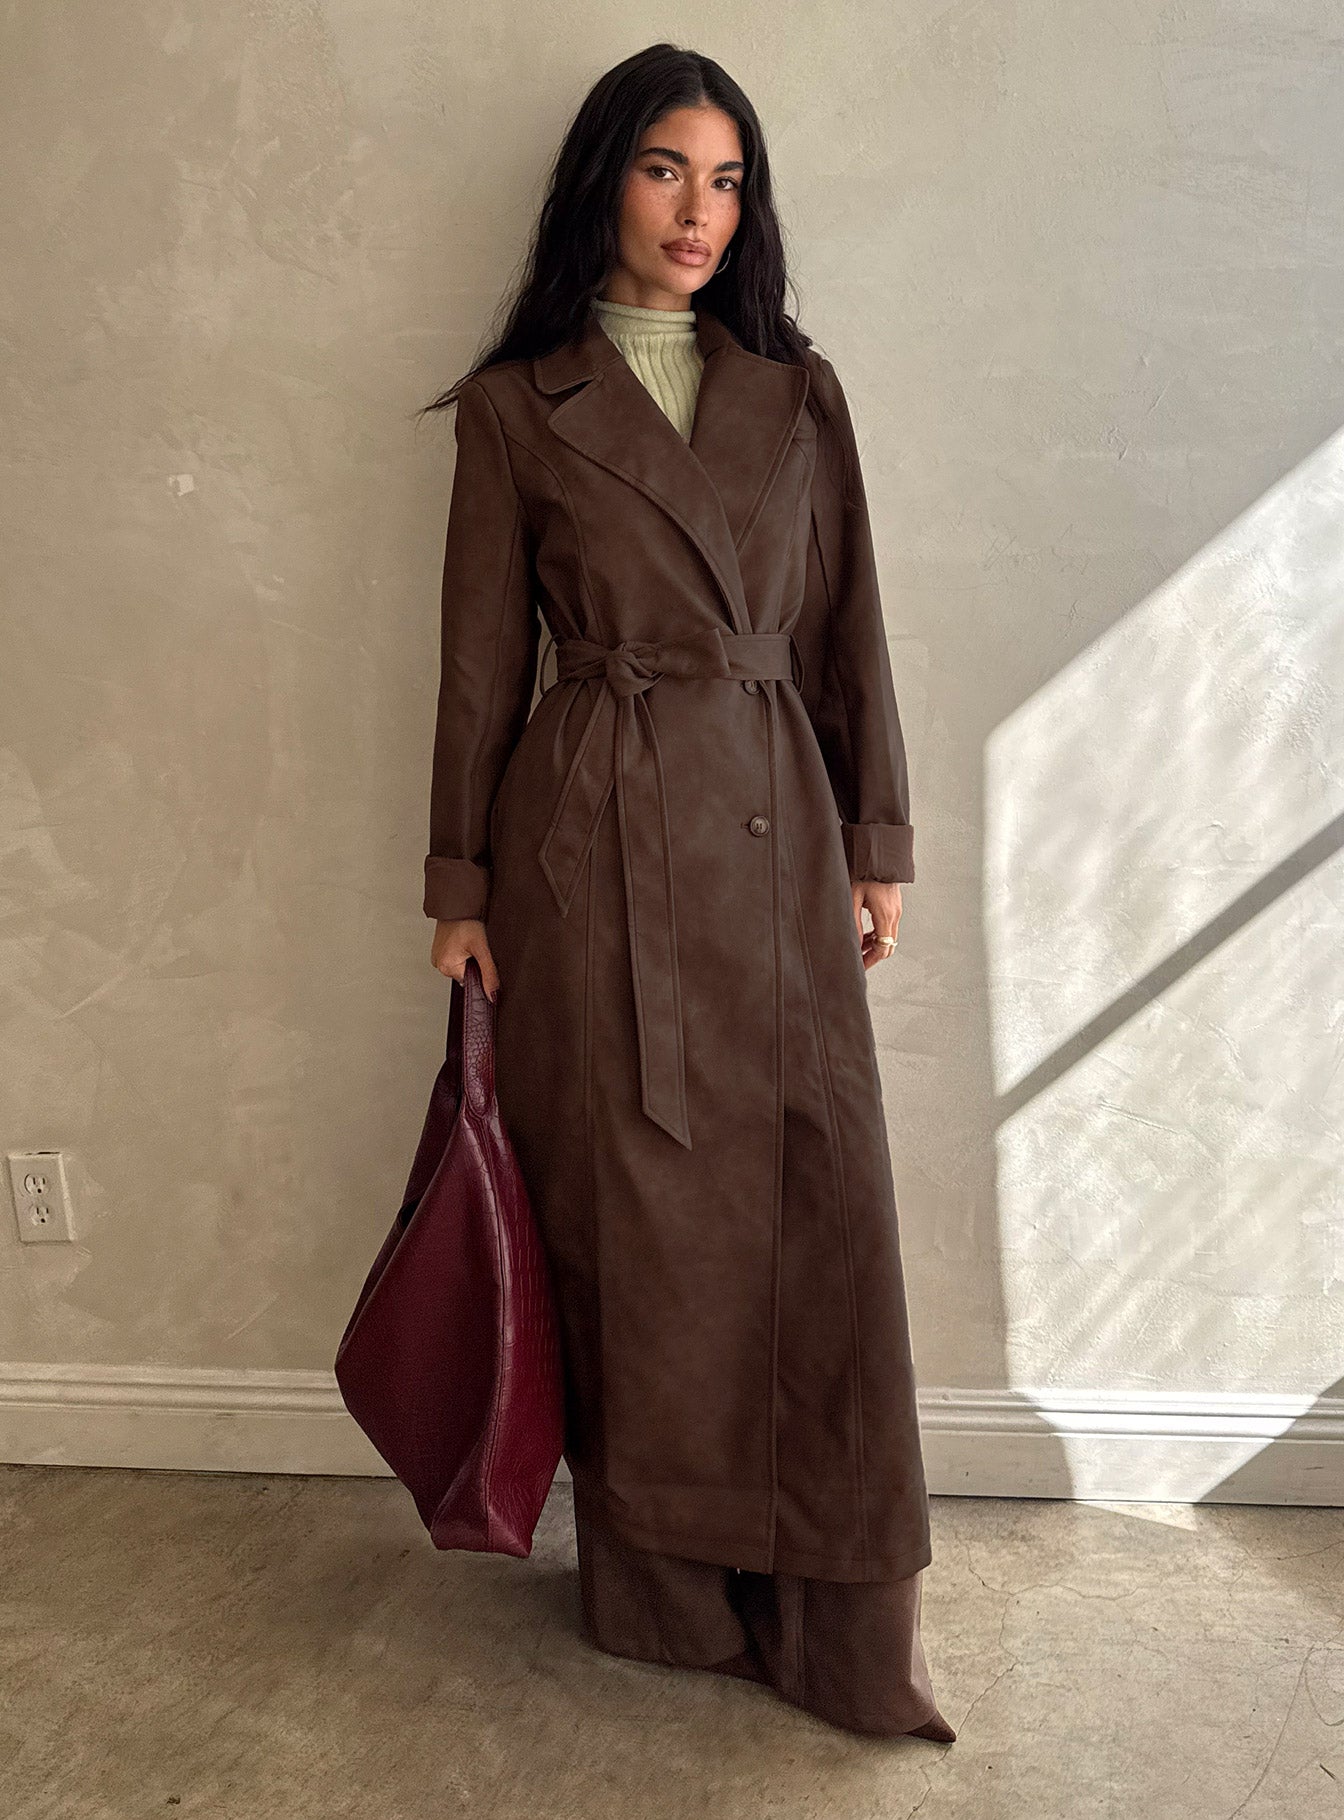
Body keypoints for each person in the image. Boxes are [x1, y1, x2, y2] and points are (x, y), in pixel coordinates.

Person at [417, 42, 956, 1743]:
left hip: (780, 828)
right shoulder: (521, 405)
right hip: (590, 845)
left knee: (815, 1199)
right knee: (639, 1219)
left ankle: (834, 1601)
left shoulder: (800, 394)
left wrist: (876, 841)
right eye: (665, 170)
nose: (697, 211)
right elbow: (477, 666)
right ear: (605, 183)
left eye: (727, 179)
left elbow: (850, 628)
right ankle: (661, 1590)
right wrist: (460, 882)